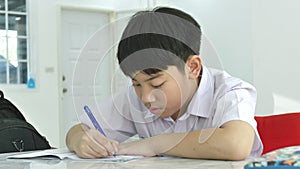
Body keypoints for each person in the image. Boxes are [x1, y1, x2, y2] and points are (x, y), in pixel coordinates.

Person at [66, 6, 263, 160]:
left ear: (193, 67)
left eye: (157, 84)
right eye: (136, 84)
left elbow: (236, 144)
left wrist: (155, 144)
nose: (146, 97)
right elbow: (78, 130)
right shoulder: (134, 99)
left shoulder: (230, 91)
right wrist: (80, 141)